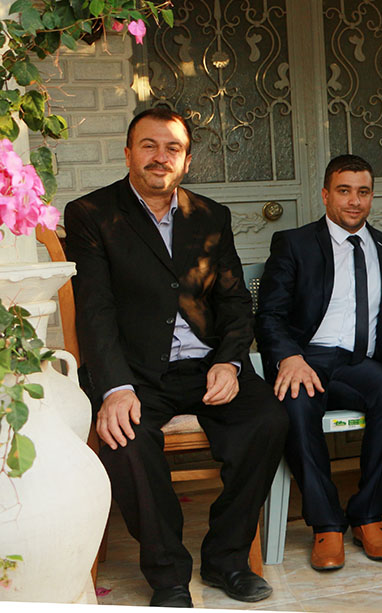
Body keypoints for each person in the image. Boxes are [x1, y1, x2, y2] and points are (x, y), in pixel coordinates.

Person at [65, 108, 289, 608]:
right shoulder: (91, 214)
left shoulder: (210, 216)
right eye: (149, 145)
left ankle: (226, 560)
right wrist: (114, 387)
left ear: (187, 161)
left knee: (267, 420)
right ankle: (167, 575)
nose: (160, 157)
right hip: (135, 372)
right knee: (125, 441)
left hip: (206, 366)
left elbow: (234, 302)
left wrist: (230, 362)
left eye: (173, 148)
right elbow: (95, 310)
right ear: (128, 153)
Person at [255, 154, 382, 572]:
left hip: (359, 364)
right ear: (325, 195)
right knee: (296, 406)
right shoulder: (294, 244)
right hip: (307, 358)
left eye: (363, 192)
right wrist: (289, 357)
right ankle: (327, 524)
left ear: (372, 196)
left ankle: (368, 516)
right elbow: (269, 314)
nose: (354, 201)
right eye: (344, 191)